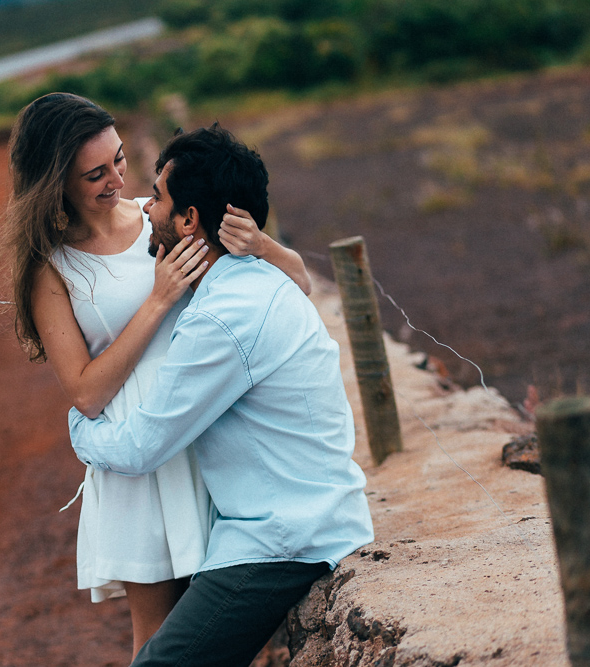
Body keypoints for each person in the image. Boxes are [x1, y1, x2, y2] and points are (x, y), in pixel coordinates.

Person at [0, 93, 313, 658]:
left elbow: (300, 285)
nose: (117, 179)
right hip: (138, 458)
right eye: (95, 174)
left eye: (119, 159)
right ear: (54, 182)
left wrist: (261, 243)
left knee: (224, 631)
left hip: (209, 430)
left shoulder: (163, 216)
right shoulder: (53, 268)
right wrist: (159, 300)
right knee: (160, 638)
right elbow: (86, 392)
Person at [69, 124, 375, 666]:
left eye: (157, 198)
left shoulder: (222, 318)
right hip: (295, 519)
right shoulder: (254, 279)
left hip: (283, 540)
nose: (146, 210)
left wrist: (80, 426)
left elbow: (142, 446)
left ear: (190, 220)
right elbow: (300, 276)